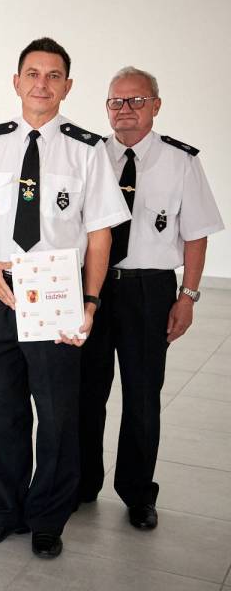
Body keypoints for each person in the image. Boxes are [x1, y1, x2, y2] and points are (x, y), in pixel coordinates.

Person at [0, 38, 130, 559]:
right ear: (16, 82)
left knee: (57, 413)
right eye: (32, 74)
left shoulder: (87, 149)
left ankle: (48, 518)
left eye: (53, 76)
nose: (42, 84)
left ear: (67, 86)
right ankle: (6, 510)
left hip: (57, 290)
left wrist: (90, 301)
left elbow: (99, 233)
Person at [78, 66, 224, 530]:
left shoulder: (181, 161)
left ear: (156, 105)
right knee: (86, 392)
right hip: (94, 287)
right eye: (116, 101)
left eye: (136, 100)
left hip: (149, 289)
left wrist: (188, 296)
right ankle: (82, 482)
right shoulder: (89, 155)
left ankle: (138, 492)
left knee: (142, 395)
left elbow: (196, 234)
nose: (125, 109)